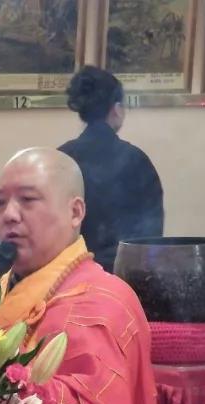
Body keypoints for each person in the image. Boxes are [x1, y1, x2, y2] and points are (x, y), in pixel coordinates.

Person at [0, 147, 169, 404]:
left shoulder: (105, 302)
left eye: (27, 200)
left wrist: (5, 391)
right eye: (0, 203)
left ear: (75, 212)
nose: (9, 215)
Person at [57, 66, 164, 273]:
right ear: (116, 109)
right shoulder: (137, 161)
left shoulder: (61, 160)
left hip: (68, 275)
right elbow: (151, 239)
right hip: (125, 277)